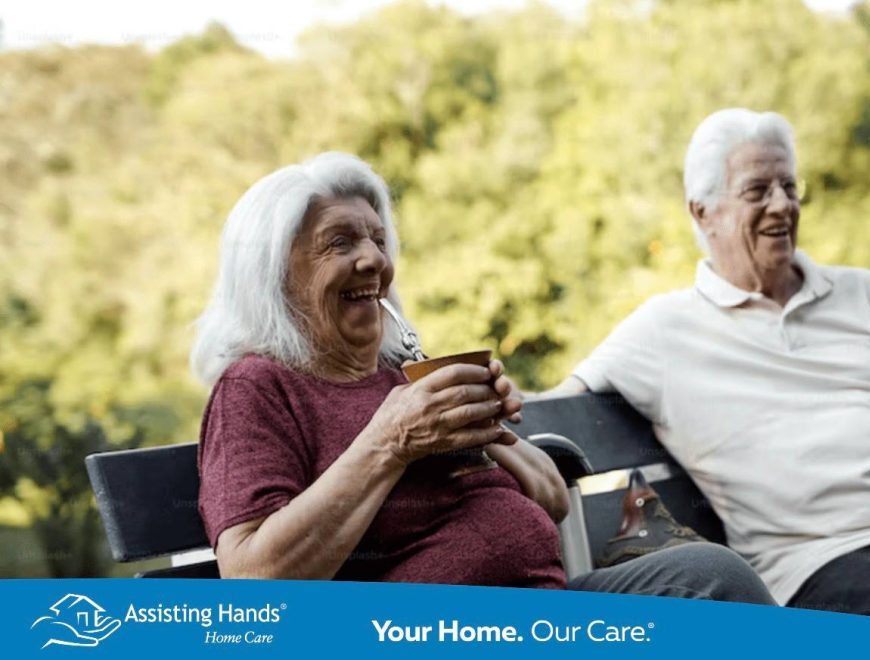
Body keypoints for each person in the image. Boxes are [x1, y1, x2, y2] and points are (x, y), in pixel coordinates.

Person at [190, 151, 774, 604]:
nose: (374, 261)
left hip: (542, 610)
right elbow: (254, 578)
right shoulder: (256, 387)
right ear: (274, 274)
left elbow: (552, 499)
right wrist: (388, 442)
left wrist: (488, 427)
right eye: (340, 243)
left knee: (712, 580)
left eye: (377, 239)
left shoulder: (403, 378)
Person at [550, 108, 870, 635]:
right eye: (757, 191)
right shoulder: (661, 331)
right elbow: (547, 407)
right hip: (835, 564)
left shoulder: (866, 292)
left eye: (790, 186)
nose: (782, 205)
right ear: (703, 212)